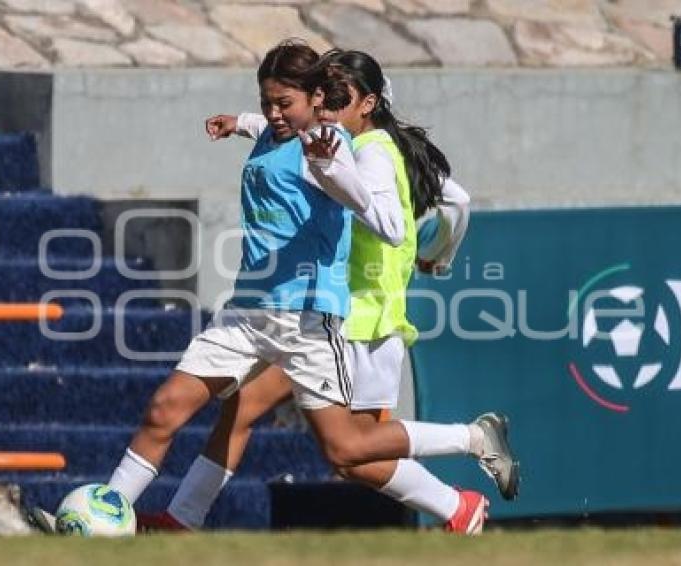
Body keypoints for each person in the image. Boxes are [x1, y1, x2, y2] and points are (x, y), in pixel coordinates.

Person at [103, 40, 515, 536]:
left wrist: (432, 254)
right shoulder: (319, 136)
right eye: (268, 103)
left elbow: (410, 213)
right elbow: (285, 129)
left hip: (352, 316)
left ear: (364, 103)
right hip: (275, 311)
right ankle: (168, 517)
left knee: (351, 452)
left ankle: (468, 456)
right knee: (247, 414)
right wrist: (241, 121)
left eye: (338, 97)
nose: (327, 109)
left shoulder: (363, 150)